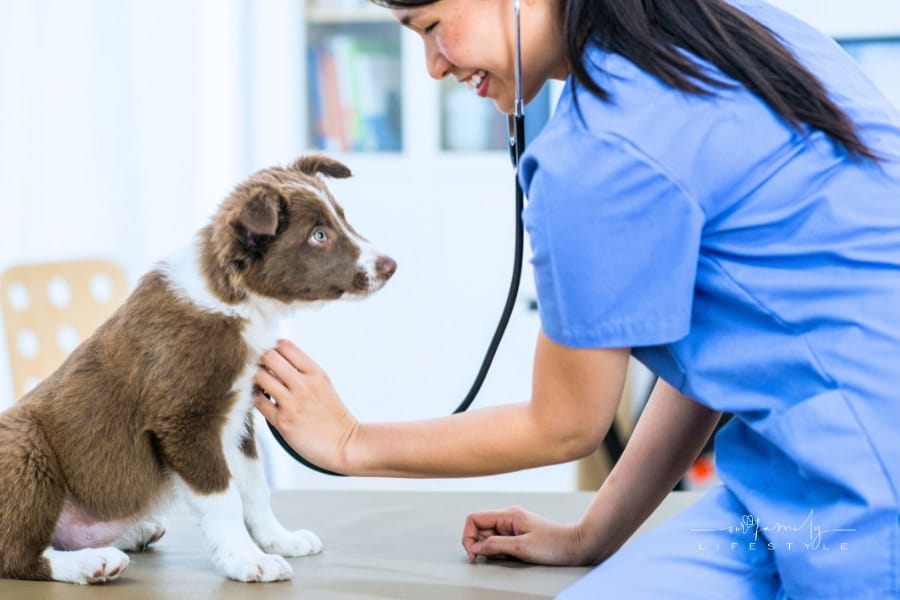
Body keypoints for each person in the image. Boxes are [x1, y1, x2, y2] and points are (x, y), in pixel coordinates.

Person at [254, 0, 900, 597]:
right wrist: (594, 535)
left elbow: (565, 423)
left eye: (429, 27)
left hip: (867, 490)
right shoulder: (725, 30)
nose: (431, 66)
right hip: (786, 482)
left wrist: (350, 442)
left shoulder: (598, 154)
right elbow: (726, 342)